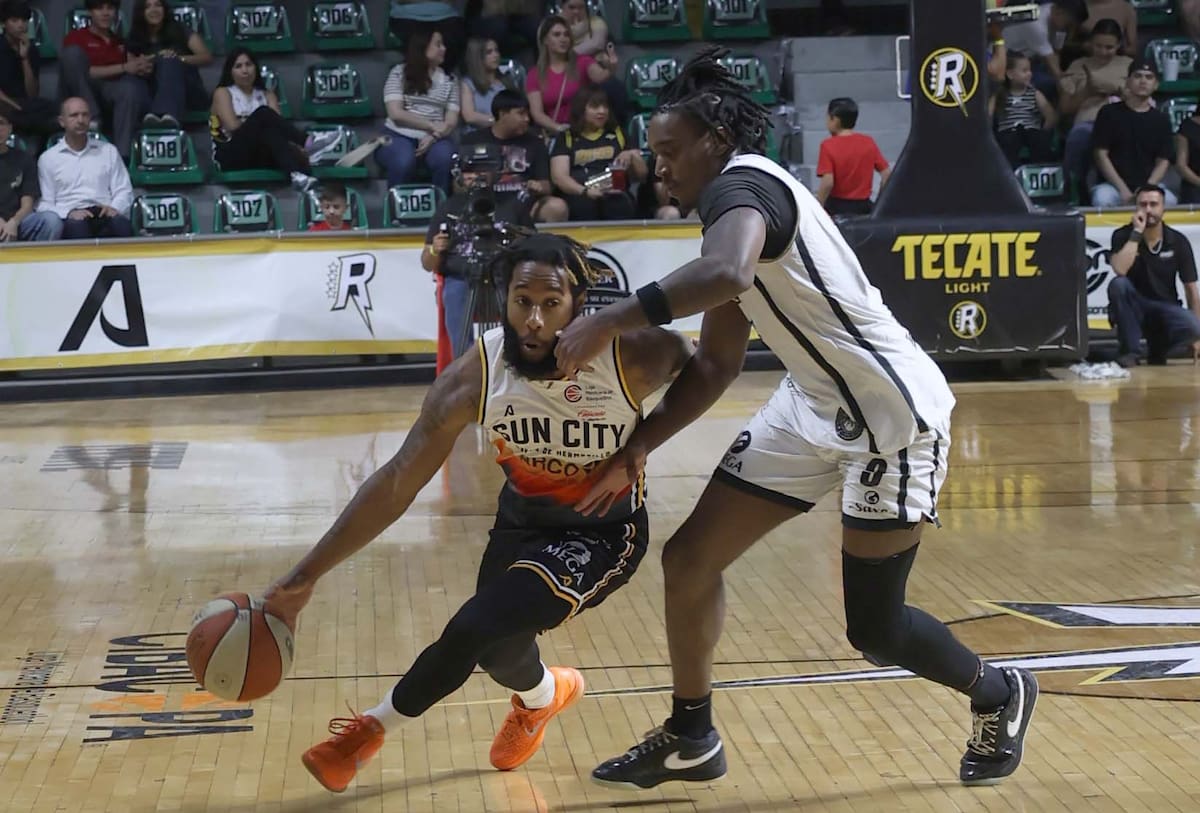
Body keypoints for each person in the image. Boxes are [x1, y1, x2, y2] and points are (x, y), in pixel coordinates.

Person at [552, 47, 1039, 791]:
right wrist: (638, 447)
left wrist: (608, 320)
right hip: (812, 406)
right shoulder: (729, 217)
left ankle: (1000, 691)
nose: (662, 168)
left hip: (891, 416)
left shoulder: (742, 189)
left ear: (716, 142)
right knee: (688, 562)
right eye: (655, 155)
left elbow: (727, 275)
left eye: (671, 152)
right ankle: (691, 734)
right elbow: (715, 364)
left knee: (875, 629)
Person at [261, 232, 695, 795]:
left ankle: (364, 735)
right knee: (499, 651)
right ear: (503, 302)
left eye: (551, 302)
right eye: (522, 302)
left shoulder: (632, 353)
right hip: (522, 525)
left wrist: (642, 445)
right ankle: (544, 699)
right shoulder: (475, 377)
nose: (535, 319)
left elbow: (709, 367)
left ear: (579, 302)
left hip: (603, 534)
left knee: (474, 625)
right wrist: (303, 578)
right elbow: (396, 482)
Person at [421, 142, 534, 358]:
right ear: (460, 174)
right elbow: (427, 264)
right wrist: (435, 250)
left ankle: (517, 362)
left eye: (484, 169)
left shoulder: (513, 204)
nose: (477, 176)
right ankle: (466, 367)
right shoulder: (449, 207)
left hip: (505, 278)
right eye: (470, 170)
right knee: (454, 293)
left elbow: (532, 248)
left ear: (496, 171)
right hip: (461, 277)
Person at [1107, 185, 1200, 368]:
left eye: (1153, 204)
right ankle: (1130, 352)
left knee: (1193, 326)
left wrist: (1197, 338)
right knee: (1118, 284)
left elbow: (1191, 289)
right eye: (1143, 204)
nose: (1148, 210)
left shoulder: (1177, 240)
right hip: (1134, 307)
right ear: (1136, 208)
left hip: (1165, 307)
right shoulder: (1122, 235)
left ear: (1163, 208)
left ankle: (1159, 349)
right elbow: (1120, 269)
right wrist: (1136, 234)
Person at [209, 48, 327, 192]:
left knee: (270, 133)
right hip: (230, 155)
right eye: (238, 66)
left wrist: (251, 121)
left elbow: (278, 129)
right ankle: (307, 142)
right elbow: (232, 126)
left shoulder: (268, 95)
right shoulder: (223, 92)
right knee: (264, 114)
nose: (245, 70)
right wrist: (256, 120)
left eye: (249, 65)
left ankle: (298, 175)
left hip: (259, 155)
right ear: (230, 71)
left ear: (255, 68)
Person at [59, 0, 152, 160]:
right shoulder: (76, 38)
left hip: (110, 95)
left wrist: (142, 67)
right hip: (81, 93)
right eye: (99, 8)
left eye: (110, 8)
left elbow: (129, 69)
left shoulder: (120, 42)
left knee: (129, 89)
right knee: (72, 54)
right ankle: (92, 117)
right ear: (90, 12)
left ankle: (122, 157)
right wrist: (124, 67)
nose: (105, 13)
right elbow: (83, 73)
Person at [461, 89, 568, 222]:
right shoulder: (472, 141)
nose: (527, 119)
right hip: (485, 205)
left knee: (557, 207)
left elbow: (546, 185)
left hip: (524, 206)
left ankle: (546, 243)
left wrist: (538, 186)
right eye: (521, 114)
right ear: (503, 114)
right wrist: (471, 182)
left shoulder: (535, 143)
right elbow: (458, 185)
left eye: (527, 114)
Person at [38, 97, 133, 240]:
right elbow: (45, 204)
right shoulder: (48, 158)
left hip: (104, 212)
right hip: (70, 217)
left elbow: (124, 190)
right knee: (78, 227)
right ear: (61, 121)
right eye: (74, 115)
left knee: (121, 224)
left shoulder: (108, 151)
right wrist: (68, 213)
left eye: (85, 115)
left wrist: (115, 208)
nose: (80, 120)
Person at [378, 30, 460, 194]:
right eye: (438, 44)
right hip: (397, 134)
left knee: (445, 159)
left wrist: (434, 135)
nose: (443, 48)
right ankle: (397, 211)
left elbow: (450, 121)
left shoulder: (450, 80)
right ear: (423, 47)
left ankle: (440, 211)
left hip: (436, 138)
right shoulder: (399, 72)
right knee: (403, 160)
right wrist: (431, 126)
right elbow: (396, 114)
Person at [549, 87, 646, 222]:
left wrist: (632, 154)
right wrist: (584, 191)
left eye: (605, 107)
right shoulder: (566, 137)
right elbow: (559, 177)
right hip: (580, 194)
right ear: (581, 109)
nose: (602, 111)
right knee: (583, 206)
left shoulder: (618, 133)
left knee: (619, 204)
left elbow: (642, 175)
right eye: (595, 107)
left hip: (615, 194)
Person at [1058, 20, 1129, 201]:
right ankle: (1075, 189)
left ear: (1119, 45)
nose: (1103, 52)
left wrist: (1116, 90)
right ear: (1090, 43)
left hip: (1122, 124)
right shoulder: (1077, 66)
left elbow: (1144, 98)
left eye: (1109, 47)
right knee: (1079, 136)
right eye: (1098, 46)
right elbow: (1064, 108)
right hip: (1088, 123)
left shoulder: (1129, 65)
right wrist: (1087, 92)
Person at [1091, 61, 1177, 208]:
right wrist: (1122, 189)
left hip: (1149, 185)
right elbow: (1100, 154)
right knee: (1103, 199)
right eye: (1138, 76)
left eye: (1149, 77)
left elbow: (1163, 160)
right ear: (1128, 82)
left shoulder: (1161, 120)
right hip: (1112, 185)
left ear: (1156, 85)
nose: (1143, 81)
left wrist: (1147, 189)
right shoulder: (1109, 113)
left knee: (1169, 201)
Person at [125, 0, 212, 128]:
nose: (154, 10)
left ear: (164, 9)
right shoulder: (135, 36)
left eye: (158, 5)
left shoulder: (179, 29)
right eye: (148, 7)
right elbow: (131, 64)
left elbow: (206, 57)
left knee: (169, 61)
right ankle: (160, 115)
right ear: (141, 12)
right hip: (153, 90)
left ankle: (167, 114)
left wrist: (178, 59)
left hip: (188, 91)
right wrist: (155, 59)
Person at [525, 15, 609, 137]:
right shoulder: (534, 74)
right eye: (557, 35)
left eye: (566, 35)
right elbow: (537, 113)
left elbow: (600, 77)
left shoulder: (583, 62)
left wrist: (611, 66)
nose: (563, 39)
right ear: (545, 40)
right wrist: (558, 128)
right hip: (556, 133)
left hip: (584, 132)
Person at [816, 97, 891, 215]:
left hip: (837, 206)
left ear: (834, 119)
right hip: (863, 207)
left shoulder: (828, 145)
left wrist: (818, 206)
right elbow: (886, 174)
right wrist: (879, 202)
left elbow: (828, 182)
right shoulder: (868, 142)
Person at [0, 0, 58, 146]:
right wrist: (15, 106)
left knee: (53, 108)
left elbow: (32, 93)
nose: (20, 25)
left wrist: (25, 58)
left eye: (24, 20)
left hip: (24, 104)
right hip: (5, 102)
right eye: (14, 20)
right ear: (4, 24)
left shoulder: (31, 50)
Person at [988, 52, 1058, 170]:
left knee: (1040, 141)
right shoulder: (1000, 94)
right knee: (1006, 143)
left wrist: (1044, 130)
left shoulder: (1034, 93)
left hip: (1031, 129)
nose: (1029, 74)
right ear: (1010, 74)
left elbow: (1051, 116)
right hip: (1008, 131)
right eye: (1024, 71)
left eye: (1030, 70)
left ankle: (1040, 171)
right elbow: (988, 115)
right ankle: (1011, 174)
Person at [0, 109, 60, 241]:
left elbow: (27, 204)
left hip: (18, 222)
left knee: (51, 221)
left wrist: (14, 222)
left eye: (1, 123)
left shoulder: (24, 159)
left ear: (9, 128)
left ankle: (41, 261)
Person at [459, 38, 511, 132]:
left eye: (496, 50)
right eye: (489, 52)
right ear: (477, 57)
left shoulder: (506, 82)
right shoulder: (468, 83)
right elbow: (469, 116)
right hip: (478, 136)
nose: (496, 55)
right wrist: (498, 121)